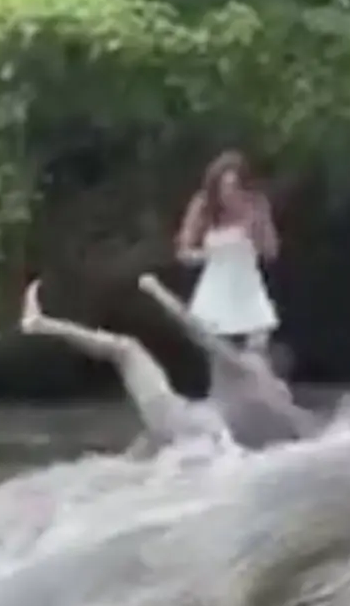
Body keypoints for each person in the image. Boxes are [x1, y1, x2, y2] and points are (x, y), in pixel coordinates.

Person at [18, 276, 319, 454]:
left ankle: (40, 323)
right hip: (210, 435)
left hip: (185, 422)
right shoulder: (276, 392)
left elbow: (194, 328)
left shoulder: (240, 364)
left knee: (127, 349)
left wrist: (155, 289)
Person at [175, 149, 281, 356]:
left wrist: (259, 226)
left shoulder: (255, 206)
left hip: (248, 291)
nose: (230, 194)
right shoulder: (203, 207)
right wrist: (207, 256)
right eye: (224, 187)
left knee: (256, 354)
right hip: (214, 294)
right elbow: (184, 252)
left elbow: (270, 251)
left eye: (235, 187)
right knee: (218, 355)